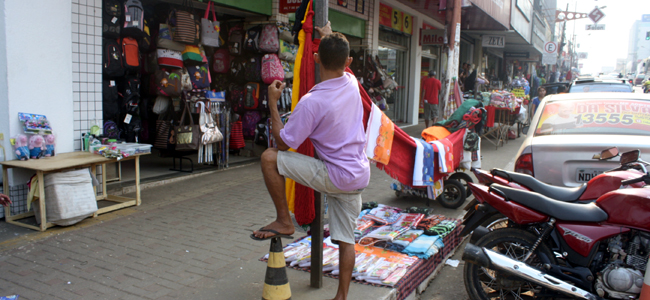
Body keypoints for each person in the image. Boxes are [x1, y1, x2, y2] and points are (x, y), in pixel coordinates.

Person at [252, 22, 370, 300]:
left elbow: (282, 143)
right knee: (346, 240)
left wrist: (272, 101)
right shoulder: (352, 82)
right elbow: (339, 61)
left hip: (336, 175)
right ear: (348, 62)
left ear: (316, 58)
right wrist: (328, 35)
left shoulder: (311, 101)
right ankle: (341, 297)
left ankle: (284, 220)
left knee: (269, 158)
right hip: (359, 176)